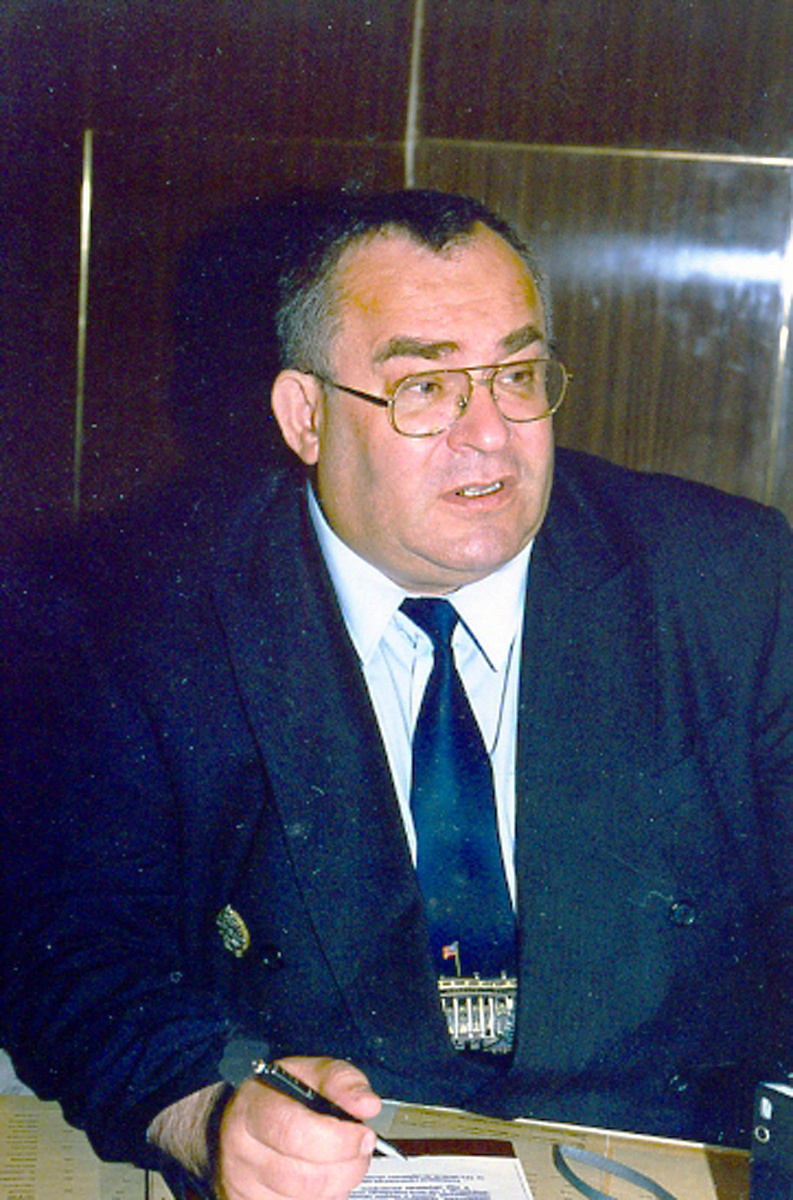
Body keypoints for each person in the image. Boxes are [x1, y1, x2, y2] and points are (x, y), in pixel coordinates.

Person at [1, 189, 791, 1200]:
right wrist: (206, 1117)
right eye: (425, 387)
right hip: (335, 1166)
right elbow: (70, 942)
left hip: (660, 1156)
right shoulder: (146, 613)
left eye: (515, 375)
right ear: (306, 415)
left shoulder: (726, 579)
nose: (490, 434)